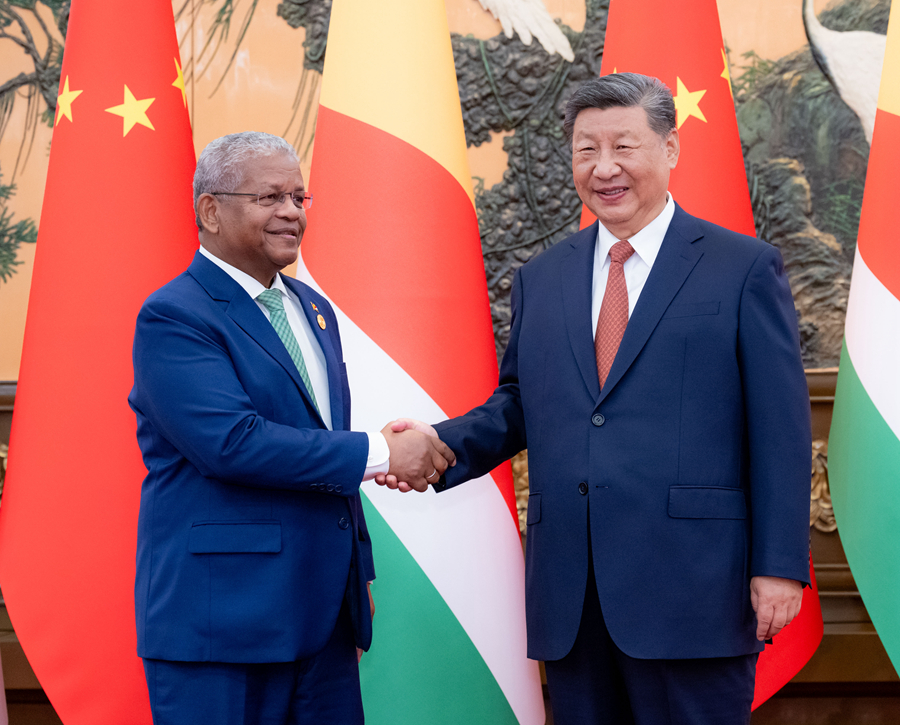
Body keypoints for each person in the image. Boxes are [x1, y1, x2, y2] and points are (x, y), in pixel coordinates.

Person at [380, 74, 811, 724]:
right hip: (574, 596)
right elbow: (524, 404)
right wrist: (438, 445)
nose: (604, 167)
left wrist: (779, 565)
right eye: (586, 149)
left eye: (624, 146)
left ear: (669, 149)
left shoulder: (742, 268)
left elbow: (779, 429)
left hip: (695, 591)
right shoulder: (543, 278)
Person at [129, 131, 454, 725]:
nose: (291, 213)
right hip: (224, 625)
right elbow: (233, 444)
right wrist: (383, 452)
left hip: (324, 618)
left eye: (300, 198)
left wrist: (358, 575)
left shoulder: (313, 308)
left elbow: (315, 433)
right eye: (270, 197)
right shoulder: (174, 315)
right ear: (210, 211)